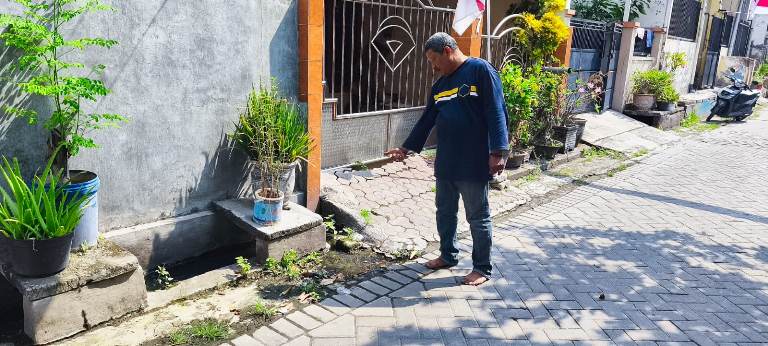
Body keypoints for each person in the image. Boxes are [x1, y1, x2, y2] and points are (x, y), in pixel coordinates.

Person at [385, 32, 509, 286]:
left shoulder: (479, 70)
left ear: (447, 51)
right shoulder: (439, 86)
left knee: (477, 216)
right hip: (447, 162)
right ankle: (448, 255)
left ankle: (482, 268)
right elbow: (427, 120)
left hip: (474, 161)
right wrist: (406, 148)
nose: (433, 66)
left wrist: (498, 151)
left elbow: (496, 110)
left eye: (434, 59)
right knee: (445, 212)